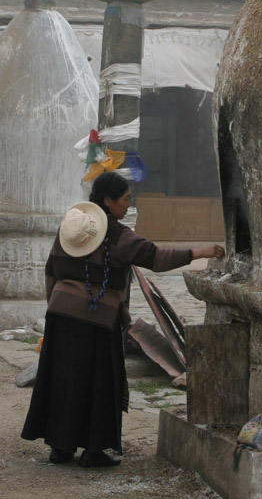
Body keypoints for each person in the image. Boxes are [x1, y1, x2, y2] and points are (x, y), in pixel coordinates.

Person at [21, 171, 224, 468]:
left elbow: (51, 270)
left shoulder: (71, 227)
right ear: (108, 201)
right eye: (126, 200)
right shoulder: (117, 235)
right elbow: (155, 256)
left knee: (63, 382)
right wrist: (201, 251)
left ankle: (60, 448)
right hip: (97, 319)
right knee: (99, 384)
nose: (129, 206)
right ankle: (93, 452)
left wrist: (56, 305)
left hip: (61, 317)